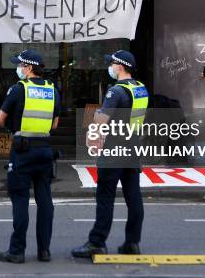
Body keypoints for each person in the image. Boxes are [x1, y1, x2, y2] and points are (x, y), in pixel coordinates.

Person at [72, 50, 148, 258]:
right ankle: (132, 242)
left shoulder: (116, 91)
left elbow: (101, 120)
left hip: (114, 150)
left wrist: (96, 113)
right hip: (132, 148)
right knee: (134, 197)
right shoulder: (141, 89)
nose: (110, 67)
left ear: (120, 66)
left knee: (105, 198)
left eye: (112, 63)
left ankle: (97, 242)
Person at [0, 49, 60, 263]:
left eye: (21, 65)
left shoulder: (18, 89)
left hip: (22, 151)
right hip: (44, 151)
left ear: (30, 67)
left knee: (20, 200)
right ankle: (44, 251)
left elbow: (0, 119)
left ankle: (17, 251)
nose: (19, 68)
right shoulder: (52, 90)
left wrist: (16, 128)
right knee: (45, 203)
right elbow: (55, 124)